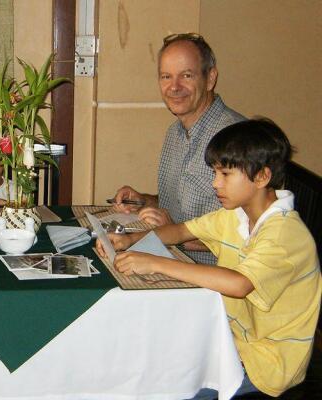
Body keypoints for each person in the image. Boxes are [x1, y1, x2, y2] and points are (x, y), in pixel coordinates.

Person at [97, 119, 322, 398]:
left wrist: (155, 262)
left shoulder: (285, 234)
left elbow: (240, 284)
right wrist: (130, 240)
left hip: (267, 365)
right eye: (215, 172)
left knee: (165, 386)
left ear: (262, 177)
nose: (215, 183)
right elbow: (181, 230)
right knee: (146, 352)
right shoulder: (236, 214)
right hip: (230, 339)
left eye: (225, 174)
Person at [112, 33, 245, 264]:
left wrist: (173, 234)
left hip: (213, 278)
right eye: (166, 76)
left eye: (186, 75)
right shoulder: (175, 132)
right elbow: (179, 204)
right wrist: (142, 201)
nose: (174, 87)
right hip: (172, 260)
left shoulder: (237, 139)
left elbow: (246, 236)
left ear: (210, 78)